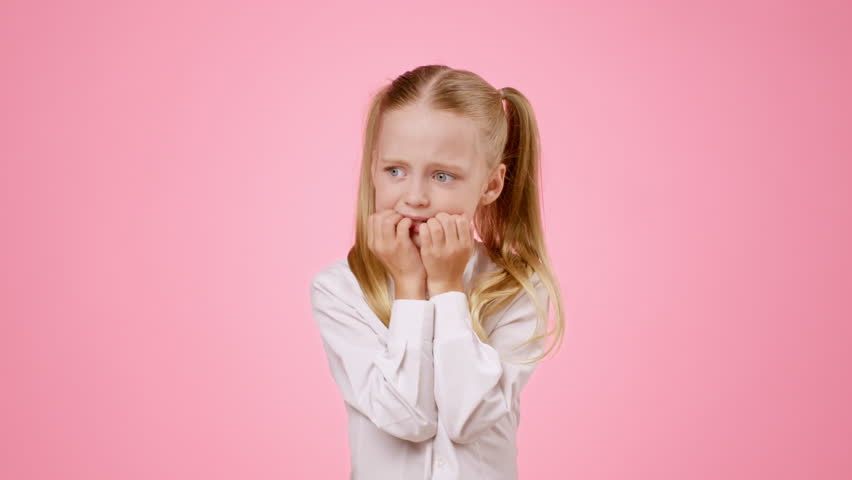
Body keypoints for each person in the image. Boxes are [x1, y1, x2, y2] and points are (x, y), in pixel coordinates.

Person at [309, 64, 566, 480]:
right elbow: (407, 419)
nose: (414, 197)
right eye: (395, 170)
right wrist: (411, 288)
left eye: (442, 176)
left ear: (491, 185)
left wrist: (447, 289)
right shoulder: (341, 290)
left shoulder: (517, 289)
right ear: (373, 169)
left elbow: (469, 419)